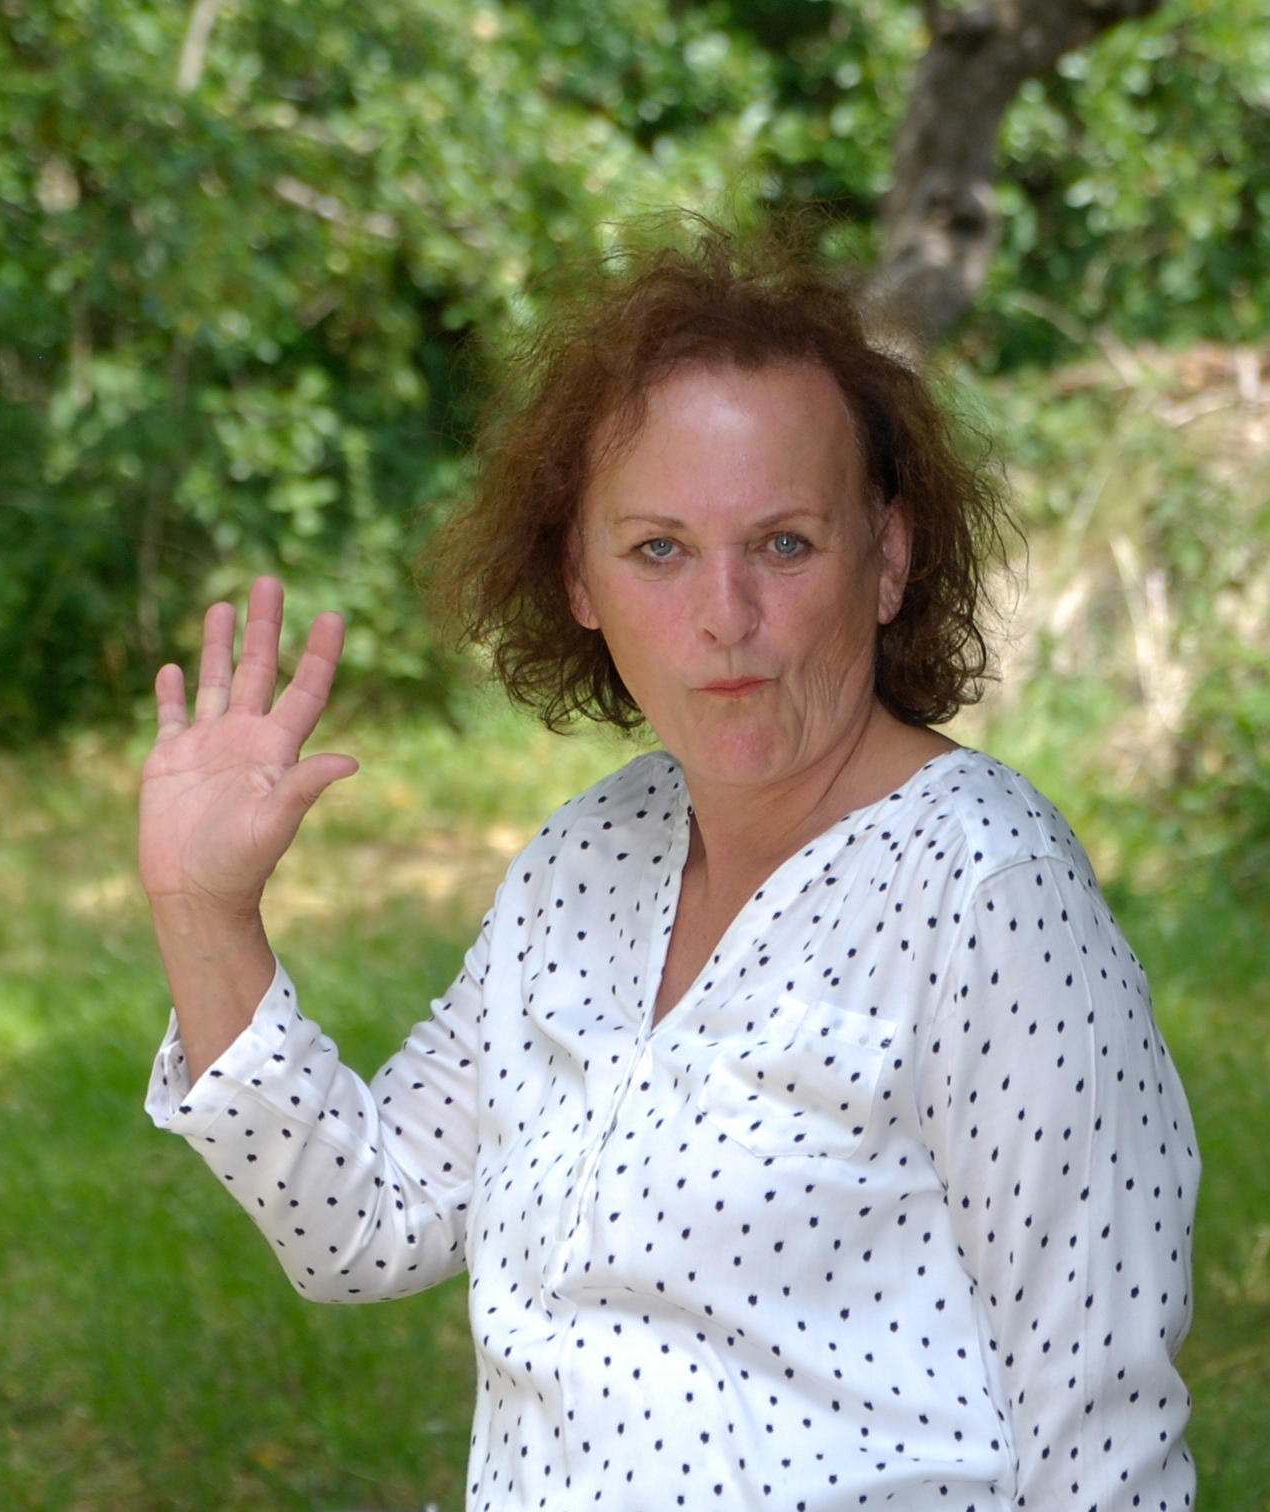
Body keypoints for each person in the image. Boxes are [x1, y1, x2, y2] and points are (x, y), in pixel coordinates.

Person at [140, 222, 1199, 1512]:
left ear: (888, 559)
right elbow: (364, 1225)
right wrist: (206, 912)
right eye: (659, 549)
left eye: (785, 544)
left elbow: (1102, 1441)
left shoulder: (988, 889)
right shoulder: (583, 858)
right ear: (578, 578)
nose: (724, 616)